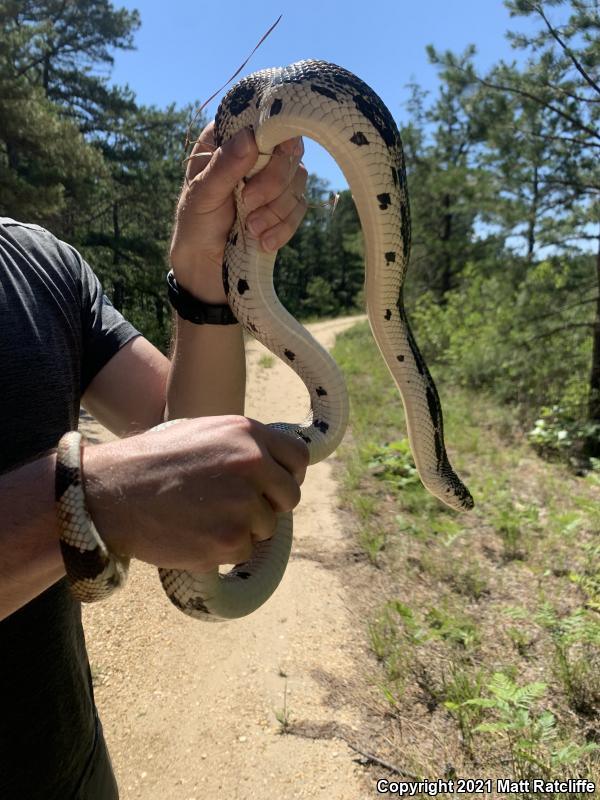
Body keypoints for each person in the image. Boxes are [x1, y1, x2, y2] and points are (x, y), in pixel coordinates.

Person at [0, 123, 309, 799]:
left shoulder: (38, 265)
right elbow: (150, 477)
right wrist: (96, 497)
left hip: (73, 767)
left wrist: (207, 270)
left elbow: (185, 443)